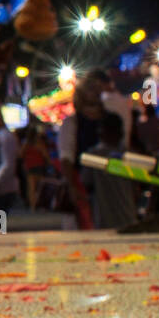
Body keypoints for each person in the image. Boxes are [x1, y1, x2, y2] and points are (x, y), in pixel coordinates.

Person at [59, 75, 105, 228]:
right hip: (82, 183)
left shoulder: (107, 118)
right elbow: (66, 157)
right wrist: (72, 186)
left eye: (97, 88)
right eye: (91, 89)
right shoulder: (72, 122)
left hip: (106, 183)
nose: (96, 92)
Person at [85, 113, 140, 230]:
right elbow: (137, 188)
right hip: (127, 216)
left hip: (103, 219)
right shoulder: (129, 155)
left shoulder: (93, 156)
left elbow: (86, 182)